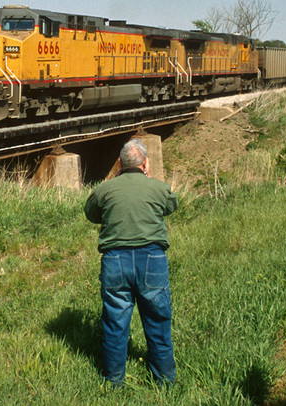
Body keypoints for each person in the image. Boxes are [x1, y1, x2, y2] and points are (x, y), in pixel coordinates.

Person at [84, 137, 178, 386]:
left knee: (115, 322)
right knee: (157, 321)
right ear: (146, 163)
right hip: (152, 259)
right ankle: (164, 380)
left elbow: (91, 213)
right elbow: (171, 206)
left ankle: (113, 380)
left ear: (119, 163)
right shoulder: (159, 188)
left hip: (115, 261)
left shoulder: (105, 189)